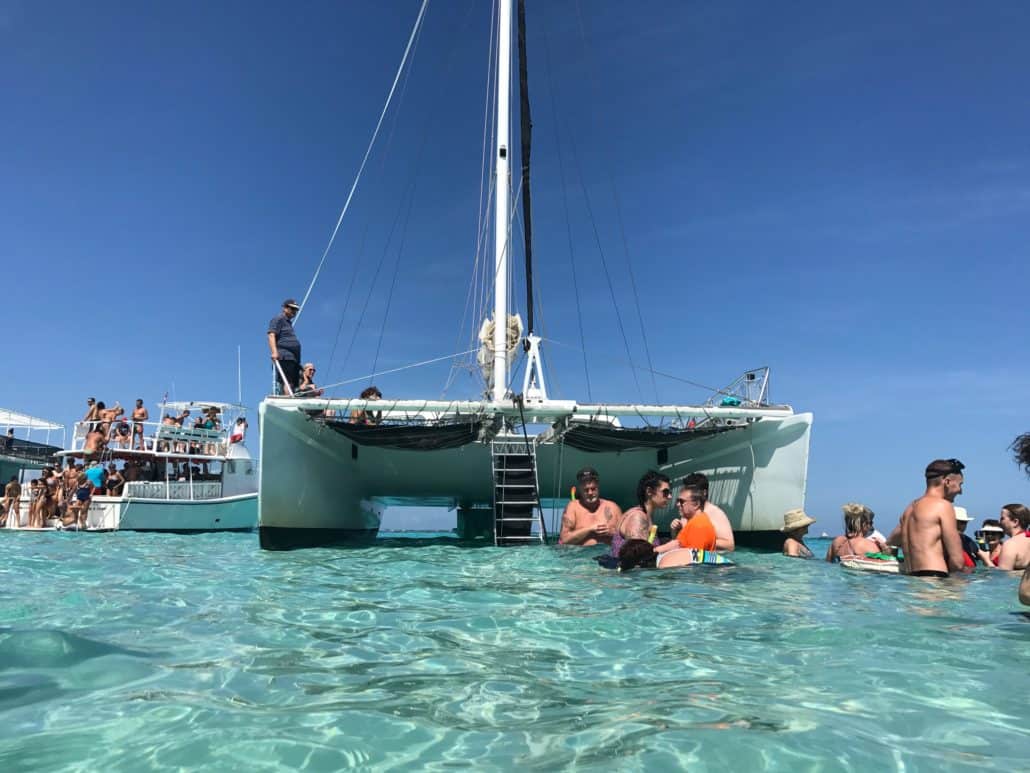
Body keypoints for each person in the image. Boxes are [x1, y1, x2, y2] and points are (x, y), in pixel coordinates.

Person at [894, 458, 969, 577]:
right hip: (935, 580)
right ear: (947, 482)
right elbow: (957, 561)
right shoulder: (943, 506)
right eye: (960, 485)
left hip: (911, 580)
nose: (961, 491)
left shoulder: (909, 509)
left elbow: (890, 543)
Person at [670, 472, 735, 551]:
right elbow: (679, 543)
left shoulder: (715, 513)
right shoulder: (687, 512)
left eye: (691, 490)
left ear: (704, 493)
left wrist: (701, 537)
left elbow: (730, 545)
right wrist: (675, 531)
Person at [558, 467, 623, 546]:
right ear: (580, 489)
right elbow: (564, 539)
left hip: (607, 554)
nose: (590, 493)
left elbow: (626, 536)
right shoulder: (573, 508)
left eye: (593, 489)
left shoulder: (613, 507)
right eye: (586, 490)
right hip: (580, 555)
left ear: (598, 486)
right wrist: (589, 529)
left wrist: (612, 532)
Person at [656, 483, 717, 564]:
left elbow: (693, 565)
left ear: (696, 504)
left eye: (681, 501)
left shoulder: (699, 526)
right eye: (677, 501)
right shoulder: (694, 522)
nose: (678, 504)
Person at [268, 298, 302, 395]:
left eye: (296, 310)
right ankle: (289, 401)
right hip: (285, 356)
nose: (294, 312)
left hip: (293, 358)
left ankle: (291, 399)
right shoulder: (278, 319)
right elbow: (271, 334)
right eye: (292, 309)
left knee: (294, 384)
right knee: (287, 381)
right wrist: (274, 352)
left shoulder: (288, 323)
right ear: (285, 308)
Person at [995, 503, 1030, 571]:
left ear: (1015, 522)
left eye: (1002, 518)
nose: (999, 522)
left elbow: (1003, 577)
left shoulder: (1011, 544)